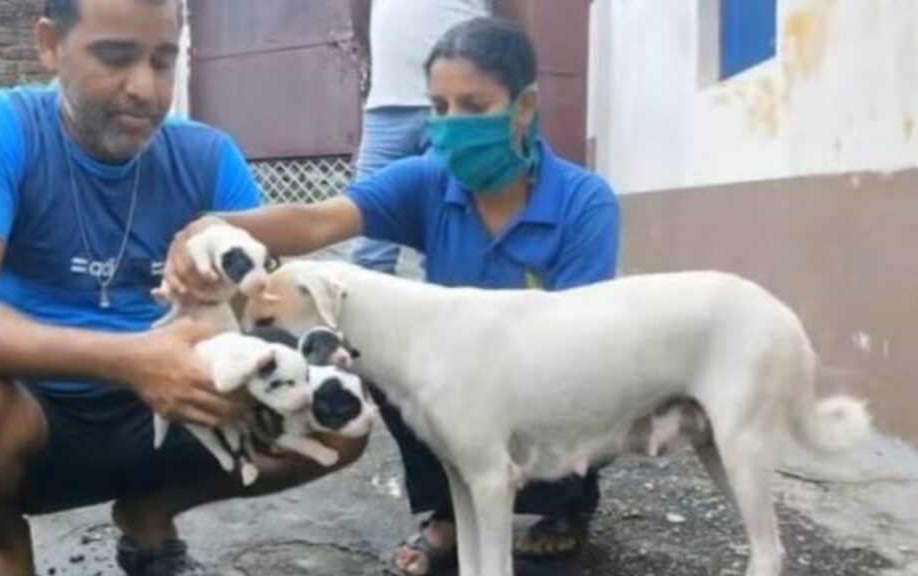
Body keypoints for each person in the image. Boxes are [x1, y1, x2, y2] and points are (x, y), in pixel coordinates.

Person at [165, 17, 620, 576]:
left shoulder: (583, 202)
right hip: (461, 385)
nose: (450, 126)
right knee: (384, 360)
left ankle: (563, 509)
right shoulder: (428, 181)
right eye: (440, 107)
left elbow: (583, 341)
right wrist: (210, 226)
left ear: (524, 108)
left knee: (598, 392)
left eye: (474, 107)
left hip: (549, 385)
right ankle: (449, 510)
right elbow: (313, 222)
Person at [0, 1, 366, 575]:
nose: (144, 88)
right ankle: (5, 539)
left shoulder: (205, 156)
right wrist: (131, 360)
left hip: (174, 407)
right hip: (27, 410)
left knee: (343, 417)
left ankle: (150, 514)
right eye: (114, 57)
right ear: (50, 46)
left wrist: (281, 333)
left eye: (163, 61)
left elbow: (265, 317)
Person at [346, 0, 529, 276]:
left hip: (461, 111)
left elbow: (510, 24)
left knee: (448, 236)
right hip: (387, 105)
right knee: (369, 243)